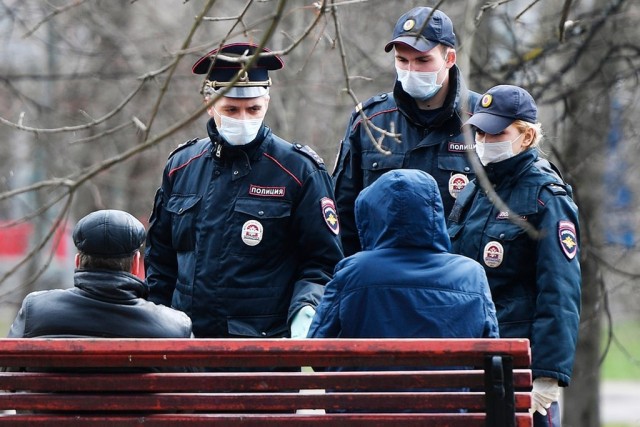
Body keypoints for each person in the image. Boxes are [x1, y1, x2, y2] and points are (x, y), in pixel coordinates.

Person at [144, 43, 343, 341]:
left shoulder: (298, 171)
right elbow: (160, 260)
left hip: (262, 348)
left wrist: (306, 309)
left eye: (253, 108)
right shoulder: (181, 167)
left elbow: (323, 262)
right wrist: (155, 324)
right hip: (185, 344)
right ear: (210, 104)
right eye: (231, 109)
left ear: (267, 103)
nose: (243, 118)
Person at [447, 85, 581, 426]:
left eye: (497, 132)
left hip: (517, 365)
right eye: (479, 131)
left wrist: (548, 374)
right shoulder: (475, 189)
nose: (484, 140)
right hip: (468, 358)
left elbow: (560, 290)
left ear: (526, 136)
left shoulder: (545, 197)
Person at [333, 6, 480, 256]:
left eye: (423, 60)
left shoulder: (483, 121)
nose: (411, 70)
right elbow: (343, 213)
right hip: (382, 275)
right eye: (402, 60)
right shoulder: (370, 120)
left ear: (449, 59)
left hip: (458, 279)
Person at [308, 169, 499, 341]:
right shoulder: (472, 274)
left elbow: (317, 346)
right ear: (434, 211)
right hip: (452, 381)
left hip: (368, 381)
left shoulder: (353, 272)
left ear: (372, 215)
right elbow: (491, 350)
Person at [7, 209, 192, 339]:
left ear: (77, 262)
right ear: (136, 265)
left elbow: (9, 376)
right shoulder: (174, 328)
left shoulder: (36, 311)